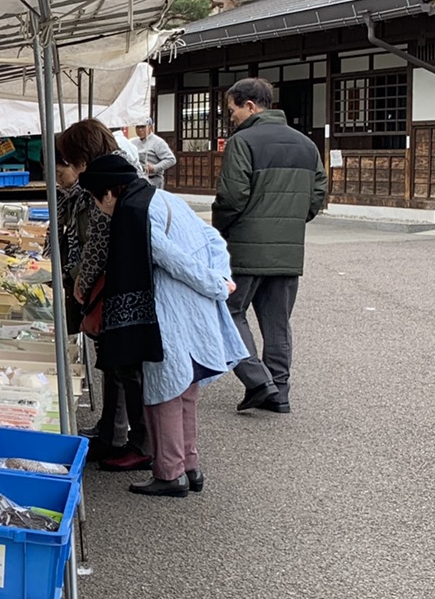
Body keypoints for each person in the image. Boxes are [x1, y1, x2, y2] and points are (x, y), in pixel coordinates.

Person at [79, 152, 243, 497]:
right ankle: (190, 466)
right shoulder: (164, 197)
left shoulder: (134, 213)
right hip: (195, 309)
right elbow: (211, 239)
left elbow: (170, 257)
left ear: (109, 192)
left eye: (97, 199)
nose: (99, 207)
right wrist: (220, 277)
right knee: (185, 391)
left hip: (167, 311)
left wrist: (213, 283)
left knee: (163, 392)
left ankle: (169, 473)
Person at [212, 77, 328, 415]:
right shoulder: (306, 144)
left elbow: (232, 196)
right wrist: (292, 221)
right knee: (277, 322)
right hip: (289, 248)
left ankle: (258, 381)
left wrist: (219, 231)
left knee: (230, 312)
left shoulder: (242, 141)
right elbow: (317, 195)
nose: (230, 117)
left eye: (232, 109)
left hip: (246, 246)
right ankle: (279, 390)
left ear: (250, 106)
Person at [57, 119, 151, 471]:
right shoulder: (120, 167)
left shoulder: (104, 178)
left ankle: (135, 442)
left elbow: (97, 240)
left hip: (117, 286)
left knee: (123, 365)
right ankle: (114, 433)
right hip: (119, 283)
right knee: (115, 364)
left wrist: (82, 281)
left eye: (70, 160)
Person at [132, 119, 177, 189]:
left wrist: (154, 168)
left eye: (143, 127)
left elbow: (171, 159)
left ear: (150, 127)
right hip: (138, 180)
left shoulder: (158, 142)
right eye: (137, 127)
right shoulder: (132, 142)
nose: (140, 130)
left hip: (153, 180)